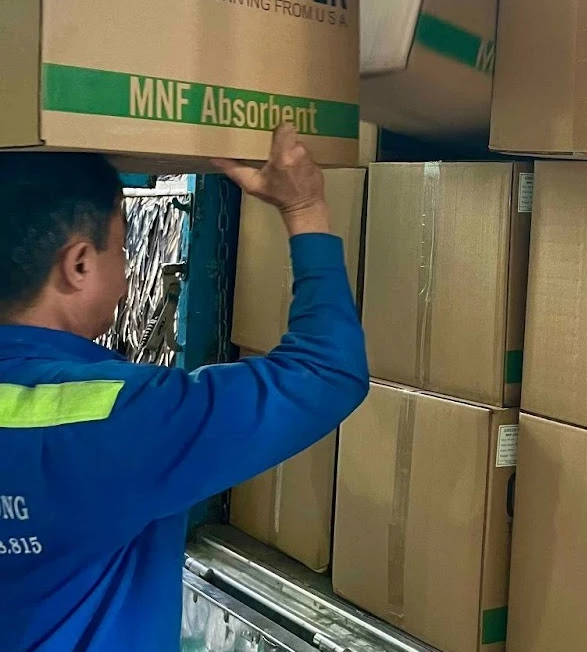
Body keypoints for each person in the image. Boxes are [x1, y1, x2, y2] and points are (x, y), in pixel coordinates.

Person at [0, 125, 369, 651]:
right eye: (122, 248)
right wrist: (304, 208)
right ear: (79, 265)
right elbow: (327, 372)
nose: (127, 270)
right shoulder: (125, 416)